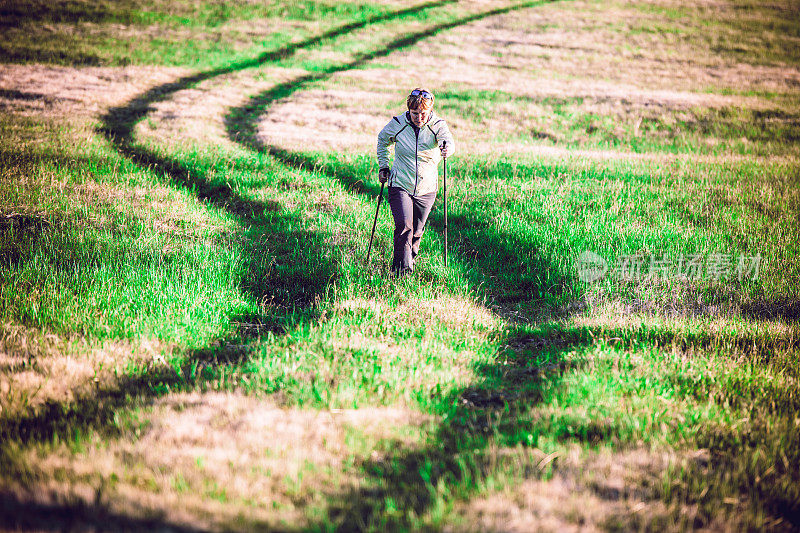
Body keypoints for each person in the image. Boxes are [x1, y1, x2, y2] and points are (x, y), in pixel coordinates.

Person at [376, 87, 455, 276]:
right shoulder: (398, 123)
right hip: (400, 183)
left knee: (417, 231)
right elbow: (382, 139)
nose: (419, 117)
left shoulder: (438, 125)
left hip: (427, 187)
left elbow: (448, 142)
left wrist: (447, 149)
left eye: (423, 113)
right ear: (408, 110)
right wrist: (383, 166)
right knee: (404, 227)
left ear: (430, 110)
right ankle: (401, 273)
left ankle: (408, 261)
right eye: (414, 113)